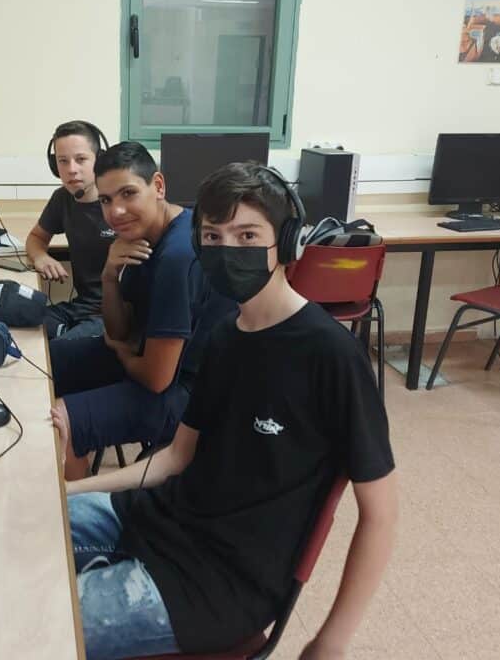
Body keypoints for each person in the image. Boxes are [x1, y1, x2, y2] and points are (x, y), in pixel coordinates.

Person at [58, 162, 398, 660]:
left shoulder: (331, 356)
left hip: (218, 584)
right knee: (22, 528)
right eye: (213, 237)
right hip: (158, 520)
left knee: (37, 619)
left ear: (286, 244)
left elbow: (381, 514)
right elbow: (175, 458)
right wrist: (67, 492)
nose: (227, 250)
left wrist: (331, 641)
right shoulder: (224, 336)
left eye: (247, 235)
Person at [50, 142, 234, 481]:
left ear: (158, 186)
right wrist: (109, 275)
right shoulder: (142, 237)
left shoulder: (178, 256)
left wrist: (121, 350)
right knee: (45, 364)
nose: (116, 211)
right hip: (149, 360)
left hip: (191, 394)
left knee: (63, 421)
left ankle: (76, 510)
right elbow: (120, 331)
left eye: (128, 193)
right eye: (106, 200)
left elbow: (156, 378)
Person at [26, 120, 115, 341]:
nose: (71, 169)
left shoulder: (119, 203)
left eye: (81, 159)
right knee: (21, 328)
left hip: (114, 315)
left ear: (99, 160)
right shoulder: (62, 198)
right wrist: (40, 256)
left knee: (55, 352)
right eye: (63, 161)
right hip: (81, 307)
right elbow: (36, 237)